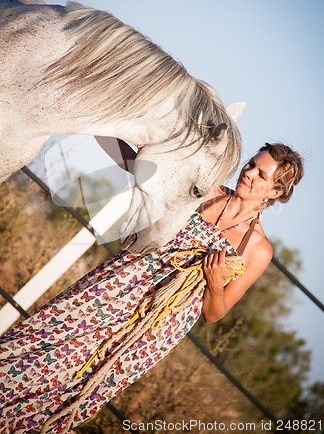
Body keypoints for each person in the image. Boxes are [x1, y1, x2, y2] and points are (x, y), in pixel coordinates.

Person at [0, 142, 304, 433]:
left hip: (152, 329)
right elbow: (140, 167)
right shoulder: (205, 193)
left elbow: (214, 313)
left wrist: (213, 282)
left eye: (260, 175)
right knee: (42, 341)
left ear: (276, 192)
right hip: (112, 289)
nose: (248, 173)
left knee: (80, 385)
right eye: (251, 164)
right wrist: (112, 126)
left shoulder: (258, 249)